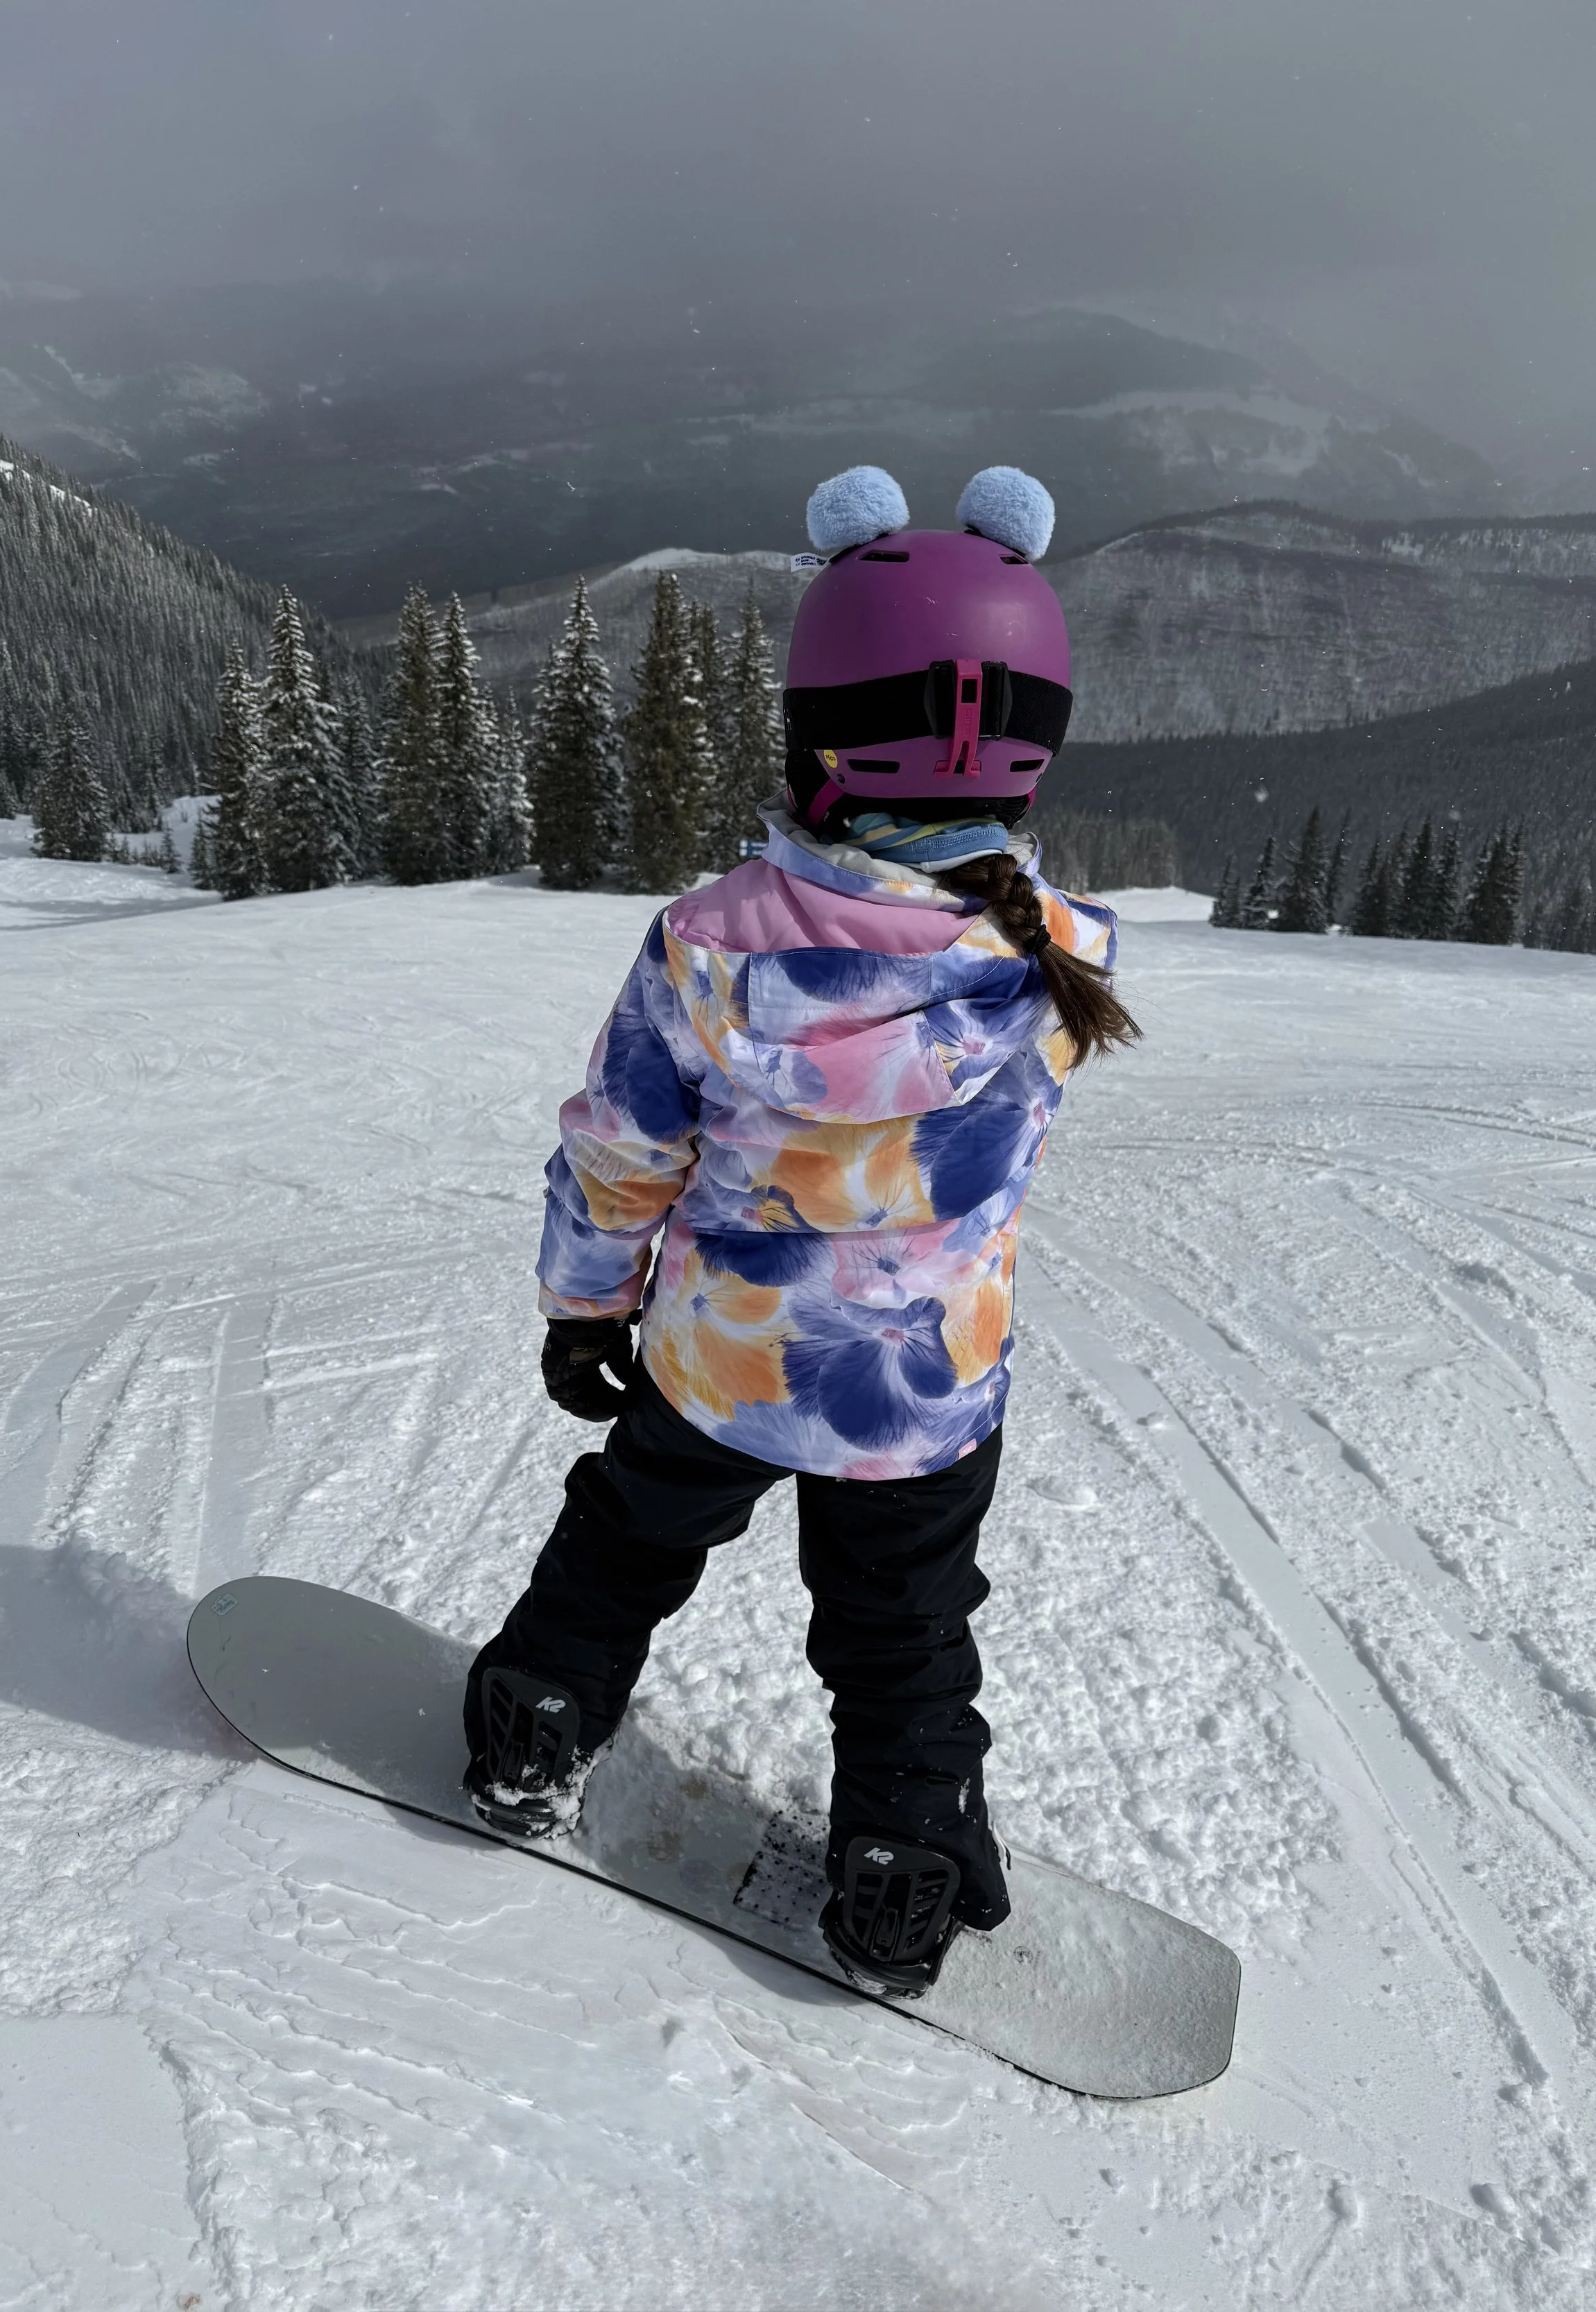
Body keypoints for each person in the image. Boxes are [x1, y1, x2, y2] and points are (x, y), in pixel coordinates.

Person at [463, 462, 1140, 1993]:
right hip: (923, 1395)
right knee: (901, 1639)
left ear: (813, 734)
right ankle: (898, 1862)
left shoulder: (711, 946)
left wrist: (585, 1305)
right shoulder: (1063, 958)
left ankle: (538, 1718)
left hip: (721, 1363)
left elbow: (622, 1150)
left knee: (624, 1544)